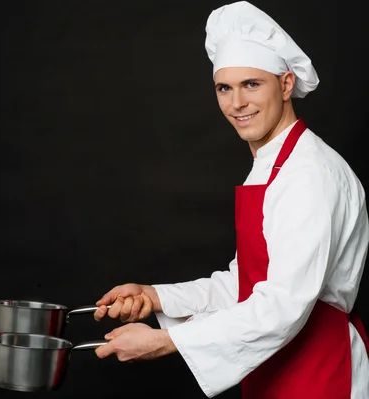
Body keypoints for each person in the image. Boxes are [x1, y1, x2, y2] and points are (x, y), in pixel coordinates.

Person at [92, 1, 369, 398]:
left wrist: (170, 342)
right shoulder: (272, 164)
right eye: (225, 87)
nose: (236, 103)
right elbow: (248, 284)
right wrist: (157, 296)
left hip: (321, 372)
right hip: (275, 370)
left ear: (287, 84)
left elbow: (281, 306)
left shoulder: (309, 174)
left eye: (251, 84)